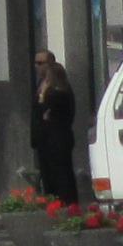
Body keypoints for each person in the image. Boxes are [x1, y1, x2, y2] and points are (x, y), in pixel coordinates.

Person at [31, 50, 81, 202]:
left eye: (41, 63)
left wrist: (43, 101)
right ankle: (52, 203)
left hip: (57, 140)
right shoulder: (41, 85)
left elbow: (53, 111)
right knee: (48, 177)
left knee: (61, 176)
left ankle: (66, 205)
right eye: (36, 63)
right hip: (43, 140)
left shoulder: (59, 89)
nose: (37, 67)